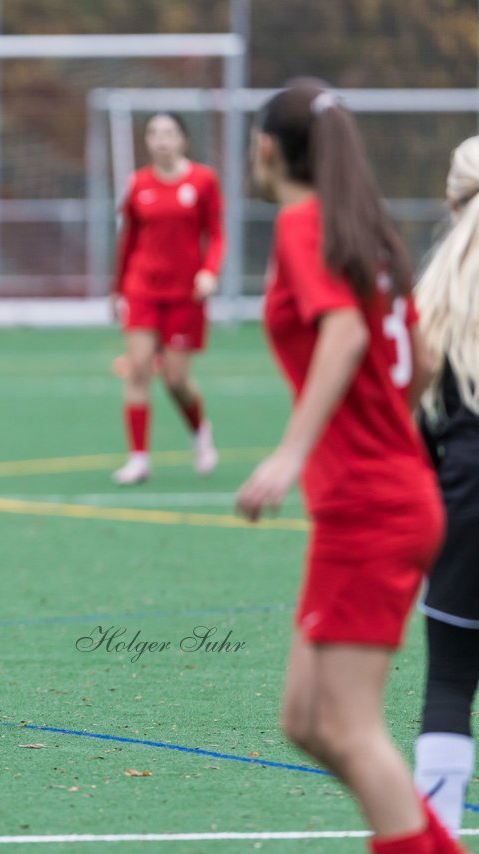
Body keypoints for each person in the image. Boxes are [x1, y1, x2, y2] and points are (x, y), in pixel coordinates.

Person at [236, 84, 463, 853]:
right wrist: (375, 430)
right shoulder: (365, 233)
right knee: (305, 719)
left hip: (374, 507)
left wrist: (293, 451)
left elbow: (343, 334)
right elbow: (422, 358)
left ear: (266, 147)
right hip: (383, 496)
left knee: (350, 725)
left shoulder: (307, 225)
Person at [412, 134, 479, 840]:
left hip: (466, 506)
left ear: (449, 201)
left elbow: (413, 431)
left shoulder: (432, 299)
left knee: (451, 687)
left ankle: (437, 835)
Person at [110, 112, 223, 485]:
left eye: (168, 133)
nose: (161, 140)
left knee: (175, 380)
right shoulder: (137, 184)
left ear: (183, 140)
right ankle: (138, 458)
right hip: (141, 289)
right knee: (139, 368)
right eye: (153, 133)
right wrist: (117, 289)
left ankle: (200, 432)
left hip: (185, 294)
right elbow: (127, 243)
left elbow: (217, 235)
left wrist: (209, 271)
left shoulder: (203, 181)